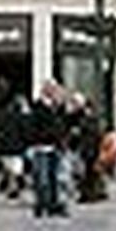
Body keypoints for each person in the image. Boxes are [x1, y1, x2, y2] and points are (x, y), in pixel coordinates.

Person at [26, 81, 69, 217]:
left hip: (55, 147)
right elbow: (33, 127)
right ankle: (41, 204)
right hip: (41, 147)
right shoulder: (38, 106)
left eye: (55, 89)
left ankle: (53, 205)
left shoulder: (56, 107)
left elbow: (63, 123)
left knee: (55, 178)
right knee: (42, 179)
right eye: (51, 89)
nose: (53, 92)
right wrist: (37, 140)